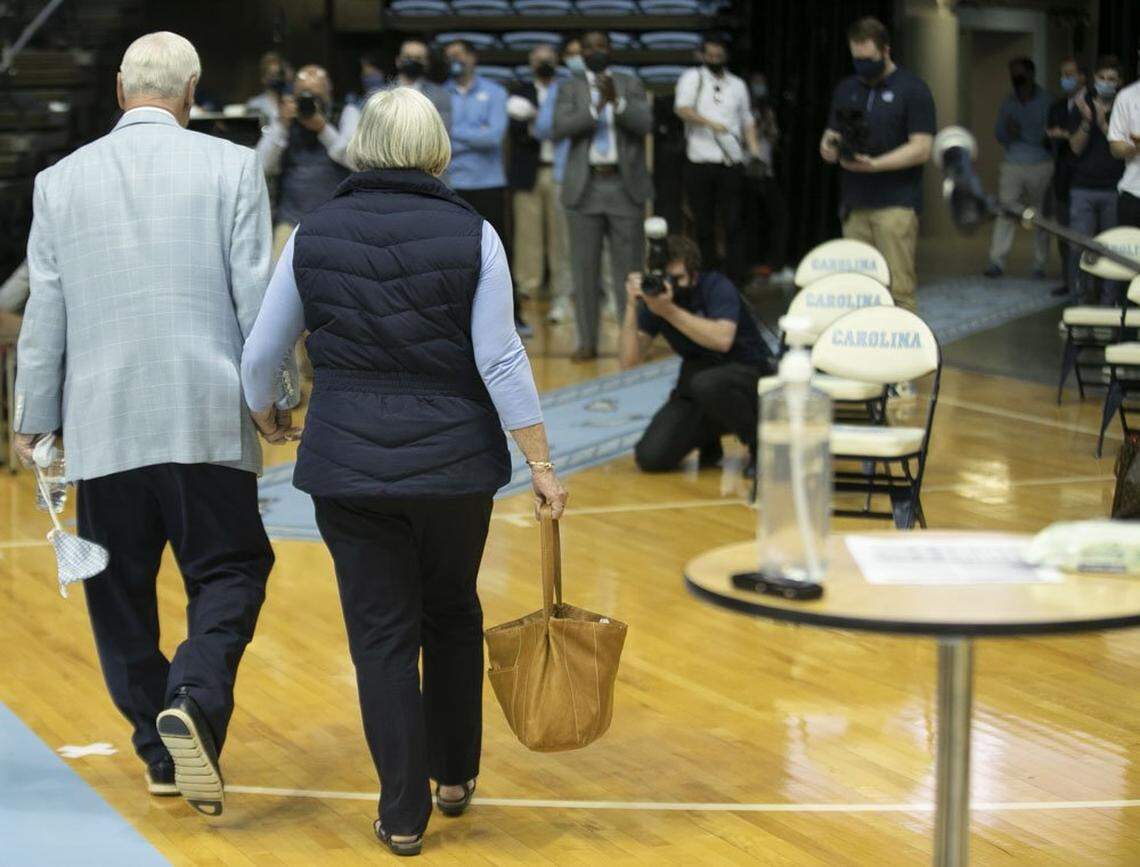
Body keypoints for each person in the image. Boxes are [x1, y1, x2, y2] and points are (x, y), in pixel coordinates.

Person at [240, 87, 568, 856]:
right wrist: (541, 460)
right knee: (452, 609)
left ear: (362, 147)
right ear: (438, 150)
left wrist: (266, 413)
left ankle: (402, 813)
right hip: (455, 467)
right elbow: (500, 356)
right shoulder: (473, 232)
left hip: (347, 465)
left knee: (382, 636)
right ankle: (454, 776)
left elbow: (262, 354)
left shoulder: (313, 232)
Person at [13, 31, 294, 819]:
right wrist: (275, 396)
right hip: (206, 417)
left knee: (119, 593)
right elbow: (255, 299)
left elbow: (48, 312)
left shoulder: (58, 181)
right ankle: (196, 700)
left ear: (117, 89)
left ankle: (158, 748)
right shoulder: (233, 167)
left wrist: (32, 419)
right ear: (193, 92)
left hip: (104, 425)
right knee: (231, 570)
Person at [620, 235, 773, 475]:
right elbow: (629, 362)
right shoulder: (656, 298)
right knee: (651, 457)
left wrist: (668, 311)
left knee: (708, 384)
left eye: (678, 278)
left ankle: (759, 445)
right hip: (698, 381)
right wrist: (631, 306)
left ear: (694, 273)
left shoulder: (716, 286)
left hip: (746, 372)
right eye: (665, 277)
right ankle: (708, 439)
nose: (671, 285)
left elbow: (722, 340)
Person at [820, 17, 934, 314]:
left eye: (868, 59)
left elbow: (922, 148)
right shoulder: (847, 88)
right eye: (856, 59)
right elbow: (832, 133)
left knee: (898, 288)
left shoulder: (913, 89)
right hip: (855, 205)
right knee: (858, 288)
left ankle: (904, 357)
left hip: (895, 205)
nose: (862, 65)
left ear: (886, 51)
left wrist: (876, 165)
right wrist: (829, 148)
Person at [553, 30, 653, 361]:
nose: (594, 51)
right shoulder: (570, 85)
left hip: (625, 187)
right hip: (585, 187)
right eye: (588, 47)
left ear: (610, 49)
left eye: (600, 46)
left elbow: (644, 124)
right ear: (580, 52)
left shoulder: (630, 82)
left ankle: (632, 339)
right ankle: (587, 341)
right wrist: (597, 108)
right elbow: (560, 127)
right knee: (584, 270)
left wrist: (619, 103)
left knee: (630, 271)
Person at [444, 40, 528, 335]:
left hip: (489, 184)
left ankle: (513, 316)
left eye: (460, 54)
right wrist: (473, 134)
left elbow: (492, 138)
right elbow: (440, 138)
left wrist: (455, 133)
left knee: (499, 252)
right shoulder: (442, 95)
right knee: (453, 255)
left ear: (472, 58)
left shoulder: (495, 92)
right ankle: (457, 320)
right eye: (450, 56)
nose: (455, 60)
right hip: (453, 183)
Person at [674, 36, 759, 285]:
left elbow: (747, 120)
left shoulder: (738, 85)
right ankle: (707, 274)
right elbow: (682, 109)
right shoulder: (692, 78)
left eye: (718, 56)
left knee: (733, 221)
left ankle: (735, 276)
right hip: (700, 160)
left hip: (731, 161)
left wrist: (753, 151)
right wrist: (710, 124)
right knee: (703, 223)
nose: (714, 60)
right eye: (709, 56)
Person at [255, 64, 352, 259]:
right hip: (290, 220)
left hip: (339, 221)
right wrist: (281, 126)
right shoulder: (284, 117)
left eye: (316, 96)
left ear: (329, 93)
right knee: (277, 279)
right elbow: (260, 165)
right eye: (304, 96)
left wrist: (323, 129)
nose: (310, 103)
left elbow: (355, 158)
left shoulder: (346, 113)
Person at [508, 44, 571, 319]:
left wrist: (538, 121)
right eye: (538, 60)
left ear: (556, 62)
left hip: (561, 171)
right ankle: (527, 286)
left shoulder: (568, 90)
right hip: (530, 170)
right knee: (527, 233)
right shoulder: (521, 91)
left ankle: (563, 287)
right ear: (530, 63)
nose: (543, 63)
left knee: (561, 235)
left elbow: (568, 127)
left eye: (548, 59)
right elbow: (517, 129)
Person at [984, 56, 1054, 279]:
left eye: (1020, 74)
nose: (1016, 78)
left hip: (1041, 164)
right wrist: (1008, 131)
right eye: (1013, 74)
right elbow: (999, 133)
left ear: (1031, 74)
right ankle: (996, 262)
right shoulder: (1008, 101)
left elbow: (1053, 136)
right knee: (1006, 212)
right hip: (1013, 163)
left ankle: (1039, 264)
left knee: (1040, 215)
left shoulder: (1047, 101)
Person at [1068, 56, 1126, 304]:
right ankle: (1078, 299)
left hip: (1113, 188)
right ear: (1094, 79)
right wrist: (1088, 120)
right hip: (1082, 187)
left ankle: (1108, 302)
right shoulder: (1083, 106)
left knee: (1111, 249)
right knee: (1079, 247)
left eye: (1111, 79)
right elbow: (1075, 148)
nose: (1105, 83)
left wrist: (1103, 123)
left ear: (1119, 83)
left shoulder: (1125, 109)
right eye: (1101, 78)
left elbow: (1122, 148)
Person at [1046, 57, 1086, 296]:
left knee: (1083, 237)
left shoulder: (1092, 104)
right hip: (1061, 176)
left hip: (1085, 176)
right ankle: (1068, 280)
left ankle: (1085, 284)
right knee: (1063, 234)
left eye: (1070, 74)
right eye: (1063, 74)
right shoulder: (1057, 106)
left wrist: (1068, 135)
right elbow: (1048, 136)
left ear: (1082, 76)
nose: (1066, 79)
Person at [747, 72, 792, 284]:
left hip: (767, 172)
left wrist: (768, 122)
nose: (759, 89)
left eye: (761, 84)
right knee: (750, 220)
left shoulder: (766, 110)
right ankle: (751, 266)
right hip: (746, 172)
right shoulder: (741, 110)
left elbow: (774, 138)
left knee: (779, 217)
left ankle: (775, 264)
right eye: (755, 84)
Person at [1108, 45, 1140, 229]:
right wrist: (1135, 148)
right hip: (1133, 192)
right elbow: (1115, 147)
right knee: (1129, 257)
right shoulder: (1126, 96)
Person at [246, 50, 290, 124]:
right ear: (263, 78)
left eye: (279, 74)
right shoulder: (255, 104)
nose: (277, 78)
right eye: (272, 75)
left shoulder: (291, 102)